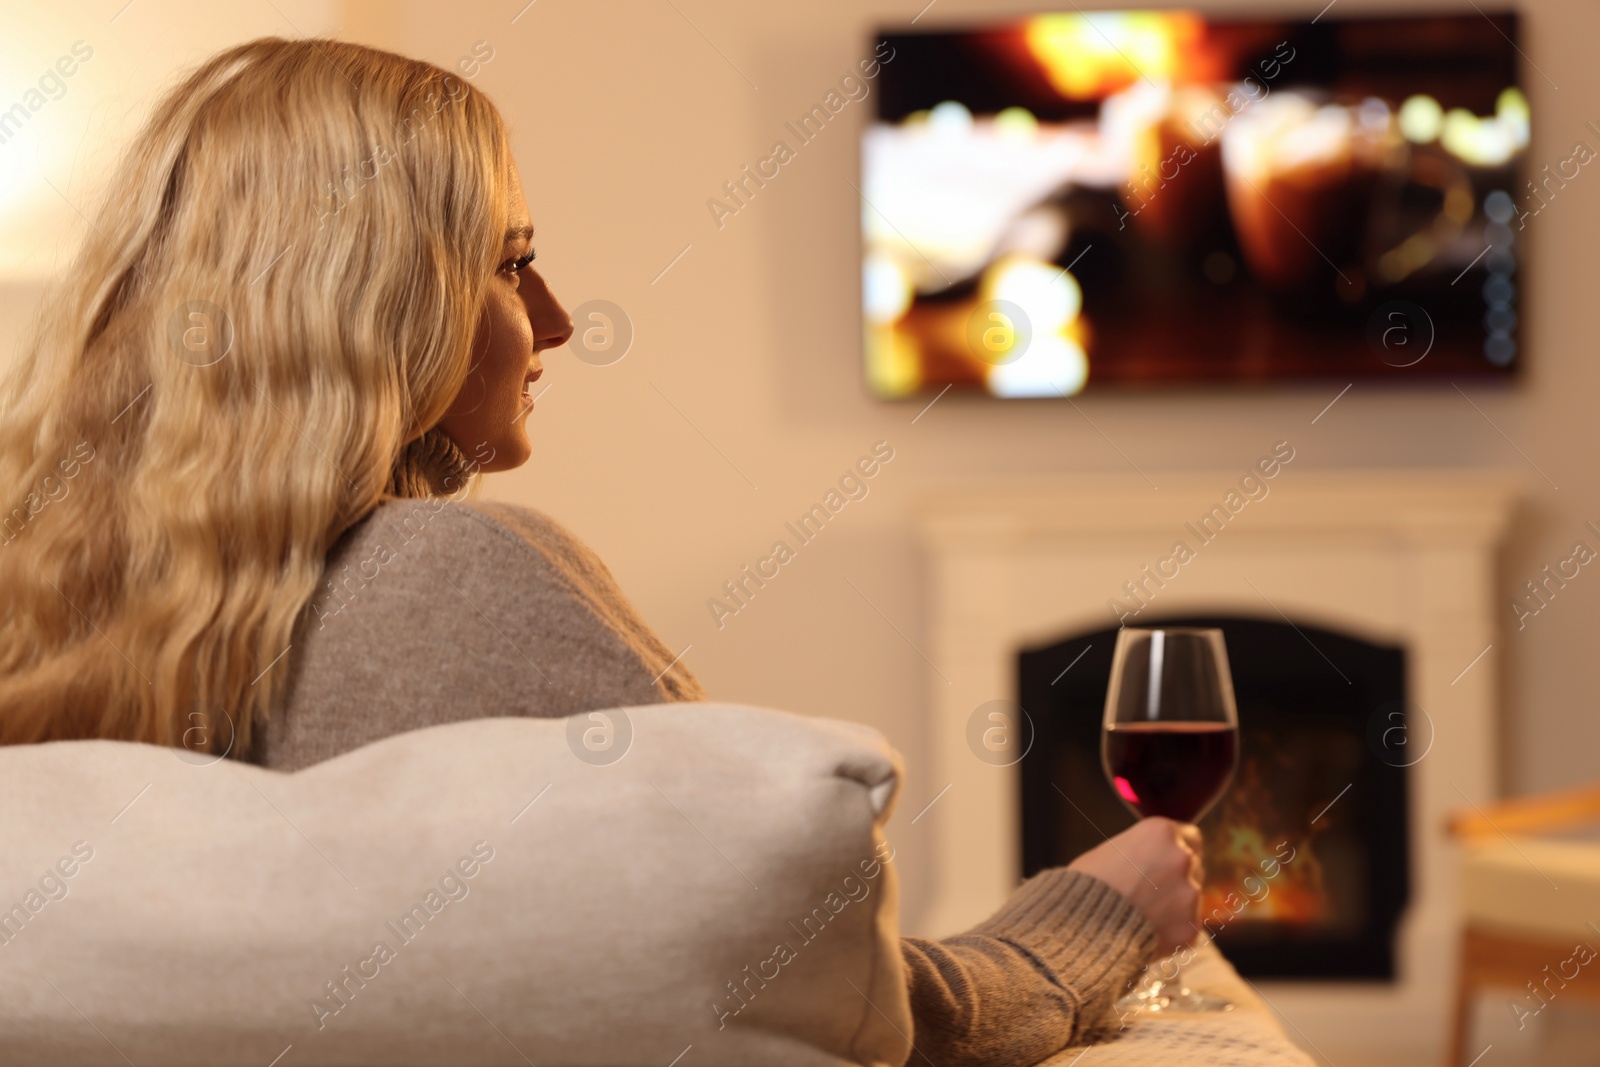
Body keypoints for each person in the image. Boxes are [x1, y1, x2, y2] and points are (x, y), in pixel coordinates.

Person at [0, 37, 1203, 1065]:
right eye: (511, 261)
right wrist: (1097, 909)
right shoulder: (447, 581)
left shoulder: (46, 616)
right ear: (372, 300)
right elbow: (851, 1003)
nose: (559, 320)